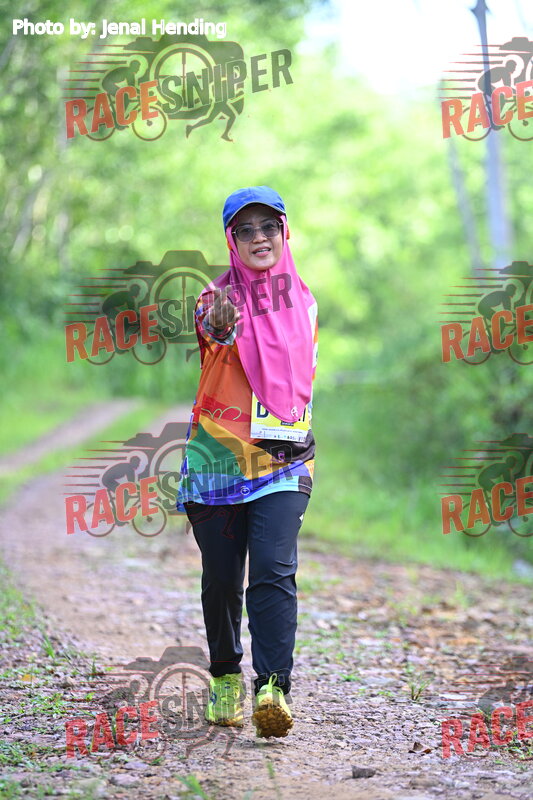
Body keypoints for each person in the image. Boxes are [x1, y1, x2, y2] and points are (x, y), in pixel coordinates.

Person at [175, 186, 319, 738]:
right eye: (246, 231)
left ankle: (273, 689)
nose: (260, 238)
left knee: (274, 571)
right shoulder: (214, 298)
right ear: (231, 240)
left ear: (285, 232)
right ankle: (225, 675)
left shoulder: (305, 301)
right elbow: (213, 330)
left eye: (269, 227)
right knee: (221, 578)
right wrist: (220, 321)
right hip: (218, 460)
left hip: (284, 460)